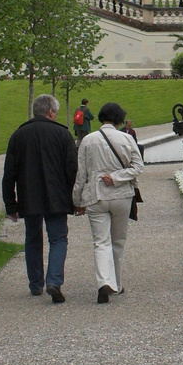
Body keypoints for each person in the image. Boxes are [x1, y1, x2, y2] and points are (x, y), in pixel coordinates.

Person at [2, 94, 79, 302]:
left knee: (33, 239)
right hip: (57, 197)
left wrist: (10, 203)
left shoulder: (19, 135)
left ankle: (36, 283)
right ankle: (54, 281)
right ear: (51, 112)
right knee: (58, 238)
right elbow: (72, 170)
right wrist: (76, 199)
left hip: (29, 197)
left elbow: (9, 172)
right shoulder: (62, 134)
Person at [74, 102, 144, 303]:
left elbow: (81, 174)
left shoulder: (88, 140)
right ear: (119, 119)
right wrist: (117, 177)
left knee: (100, 242)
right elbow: (138, 167)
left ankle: (105, 281)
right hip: (121, 195)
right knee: (118, 241)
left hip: (96, 196)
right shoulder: (126, 138)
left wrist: (77, 200)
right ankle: (117, 283)